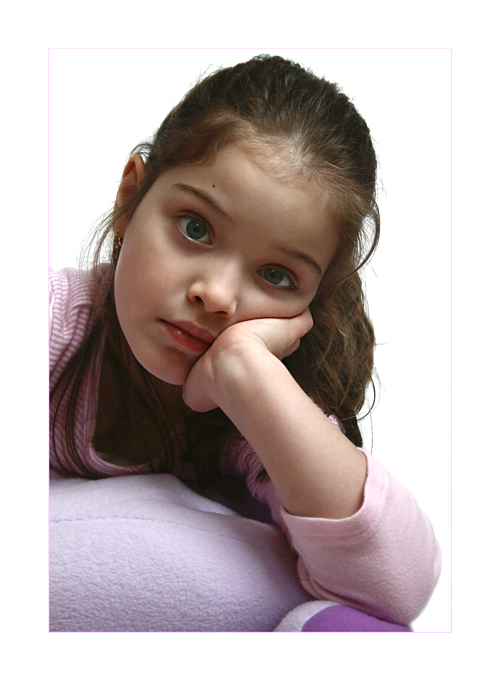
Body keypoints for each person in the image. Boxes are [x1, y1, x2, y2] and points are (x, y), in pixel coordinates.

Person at [49, 54, 440, 627]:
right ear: (129, 199)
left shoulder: (255, 408)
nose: (217, 295)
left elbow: (398, 588)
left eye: (276, 276)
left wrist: (246, 374)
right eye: (195, 228)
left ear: (311, 305)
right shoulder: (50, 321)